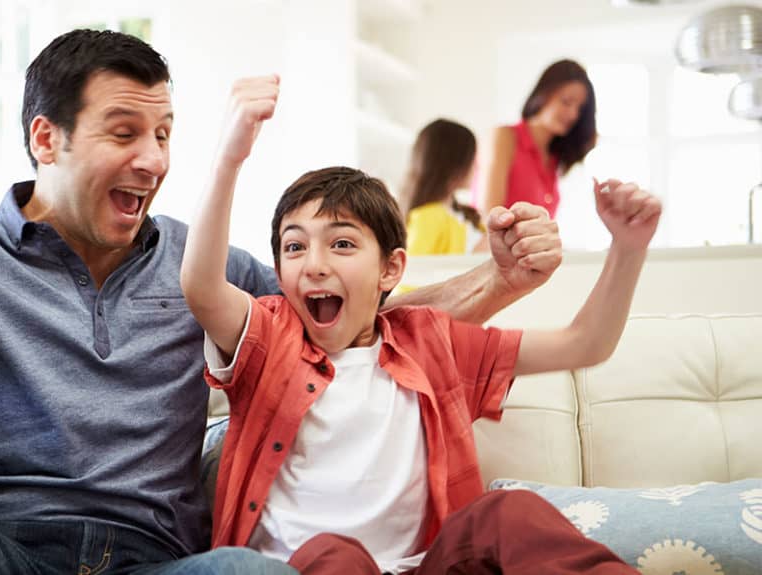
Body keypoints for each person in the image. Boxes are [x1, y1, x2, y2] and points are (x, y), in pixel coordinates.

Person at [0, 14, 564, 575]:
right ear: (45, 137)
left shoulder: (201, 263)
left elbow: (358, 317)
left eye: (164, 135)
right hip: (1, 545)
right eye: (125, 132)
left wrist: (498, 278)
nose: (154, 160)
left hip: (157, 559)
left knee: (250, 573)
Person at [181, 76, 661, 574]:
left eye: (342, 244)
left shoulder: (430, 340)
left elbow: (585, 345)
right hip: (306, 569)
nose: (314, 264)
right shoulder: (270, 336)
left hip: (425, 567)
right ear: (279, 273)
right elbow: (202, 286)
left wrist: (627, 248)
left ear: (390, 269)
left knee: (505, 513)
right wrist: (229, 158)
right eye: (294, 246)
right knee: (334, 553)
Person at [483, 59, 598, 219]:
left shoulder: (554, 157)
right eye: (566, 102)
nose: (573, 115)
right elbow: (489, 217)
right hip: (498, 244)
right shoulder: (505, 137)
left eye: (580, 108)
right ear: (543, 94)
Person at [400, 118, 487, 255]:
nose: (477, 167)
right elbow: (416, 272)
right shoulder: (428, 218)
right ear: (455, 163)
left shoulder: (464, 214)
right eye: (473, 159)